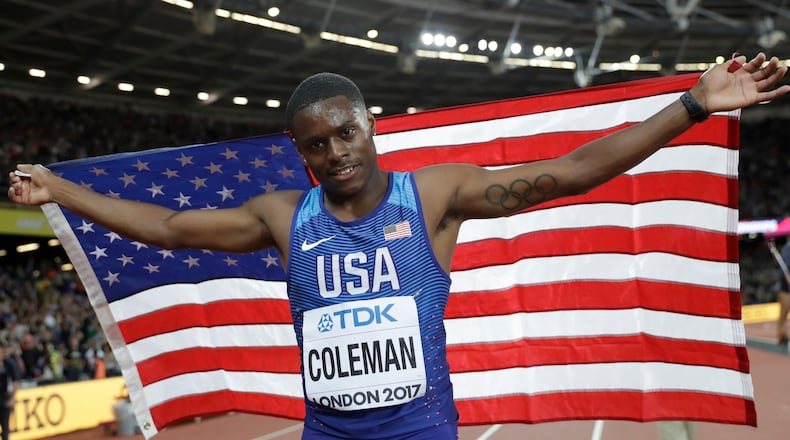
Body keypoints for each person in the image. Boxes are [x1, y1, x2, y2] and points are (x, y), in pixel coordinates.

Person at [7, 53, 789, 439]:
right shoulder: (283, 216)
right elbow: (169, 230)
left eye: (346, 132)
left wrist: (694, 104)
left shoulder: (435, 197)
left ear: (370, 124)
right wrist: (60, 190)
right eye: (318, 144)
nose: (337, 152)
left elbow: (575, 172)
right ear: (299, 150)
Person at [0, 344, 18, 440]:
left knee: (5, 427)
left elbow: (15, 381)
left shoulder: (9, 364)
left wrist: (12, 398)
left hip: (5, 398)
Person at [775, 239, 790, 344]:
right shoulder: (788, 248)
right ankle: (781, 333)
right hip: (786, 284)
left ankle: (781, 332)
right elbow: (784, 267)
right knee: (784, 310)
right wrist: (787, 276)